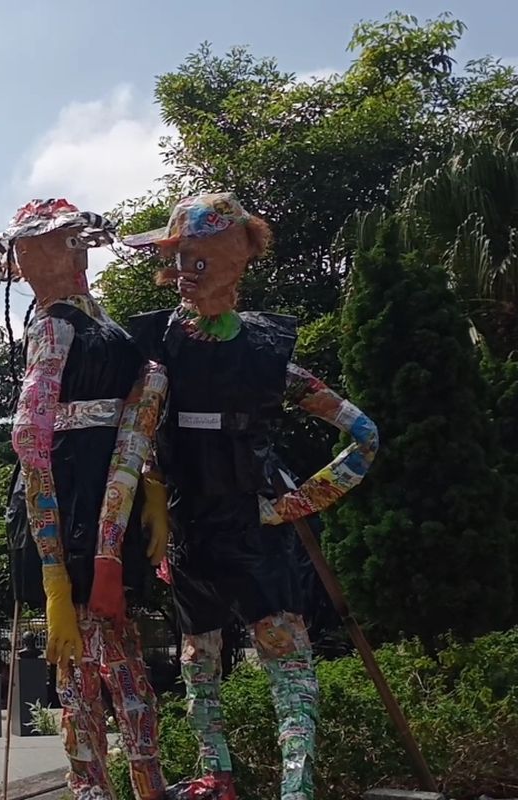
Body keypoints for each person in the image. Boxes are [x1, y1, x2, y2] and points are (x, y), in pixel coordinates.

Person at [123, 193, 379, 800]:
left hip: (257, 533)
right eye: (178, 259)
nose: (184, 274)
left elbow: (364, 435)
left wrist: (294, 504)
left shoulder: (268, 357)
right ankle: (219, 775)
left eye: (199, 260)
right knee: (196, 664)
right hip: (189, 535)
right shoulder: (158, 346)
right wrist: (153, 508)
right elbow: (135, 436)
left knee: (286, 661)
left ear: (236, 259)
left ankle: (297, 786)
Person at [0, 199, 171, 800]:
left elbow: (132, 410)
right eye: (39, 245)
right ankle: (97, 783)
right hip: (69, 498)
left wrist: (152, 489)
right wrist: (53, 576)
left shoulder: (91, 323)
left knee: (112, 652)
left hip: (100, 491)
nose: (59, 254)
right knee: (86, 658)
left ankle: (129, 781)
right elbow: (30, 435)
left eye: (67, 241)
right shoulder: (57, 324)